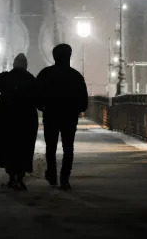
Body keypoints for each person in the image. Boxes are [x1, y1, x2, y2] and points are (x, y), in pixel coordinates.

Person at [0, 52, 38, 191]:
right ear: (26, 66)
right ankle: (20, 177)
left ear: (14, 64)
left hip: (7, 118)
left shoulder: (6, 77)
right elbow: (40, 99)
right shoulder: (31, 80)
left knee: (9, 146)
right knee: (23, 147)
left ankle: (12, 177)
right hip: (26, 119)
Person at [36, 43, 88, 190]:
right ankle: (65, 178)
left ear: (54, 57)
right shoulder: (76, 76)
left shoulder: (46, 74)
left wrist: (43, 107)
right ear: (69, 56)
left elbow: (36, 95)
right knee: (68, 148)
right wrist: (76, 109)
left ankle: (52, 174)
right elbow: (84, 103)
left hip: (51, 115)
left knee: (51, 147)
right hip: (69, 117)